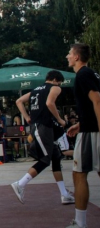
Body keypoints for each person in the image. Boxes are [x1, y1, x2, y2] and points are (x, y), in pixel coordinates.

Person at [11, 70, 75, 206]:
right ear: (56, 80)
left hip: (40, 127)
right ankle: (20, 184)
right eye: (60, 83)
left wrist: (27, 117)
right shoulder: (55, 88)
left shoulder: (35, 90)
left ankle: (64, 194)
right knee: (45, 160)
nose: (60, 86)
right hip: (44, 127)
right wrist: (61, 120)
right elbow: (50, 103)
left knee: (56, 158)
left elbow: (19, 101)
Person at [65, 44, 100, 228]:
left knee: (78, 175)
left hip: (92, 133)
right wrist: (81, 123)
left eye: (70, 53)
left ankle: (80, 223)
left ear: (77, 57)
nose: (67, 56)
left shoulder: (83, 75)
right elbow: (92, 104)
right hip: (89, 128)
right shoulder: (92, 74)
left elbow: (97, 101)